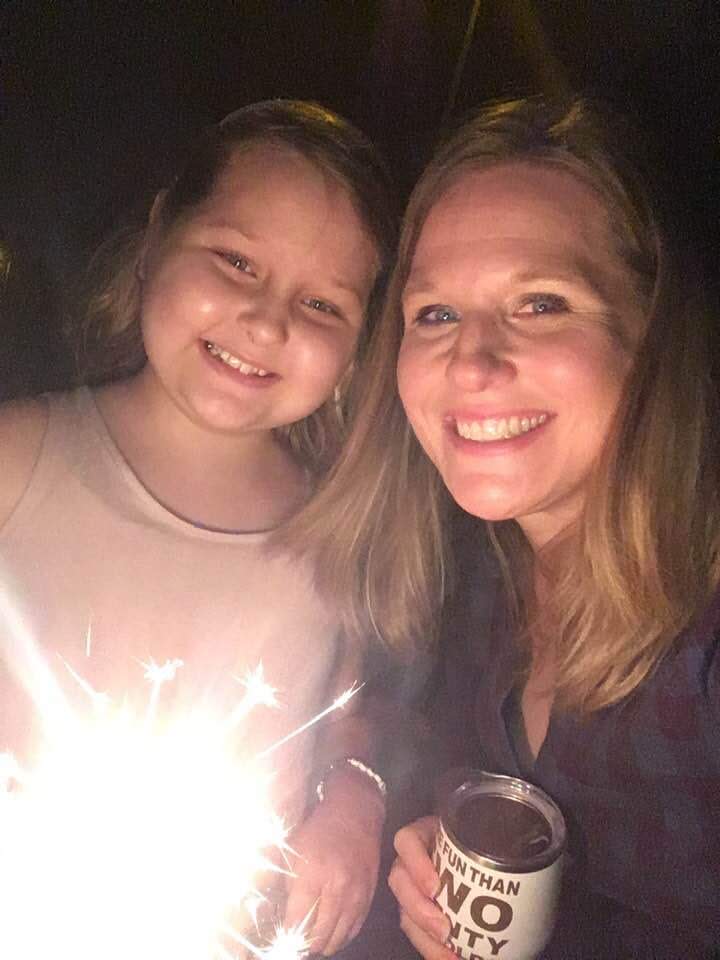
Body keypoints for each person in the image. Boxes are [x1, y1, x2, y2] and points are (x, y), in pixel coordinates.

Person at [289, 97, 720, 957]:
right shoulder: (468, 574)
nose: (473, 363)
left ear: (653, 335)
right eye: (436, 315)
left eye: (542, 303)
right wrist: (390, 815)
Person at [0, 99, 395, 956]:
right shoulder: (15, 459)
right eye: (235, 260)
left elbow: (347, 711)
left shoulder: (337, 533)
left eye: (323, 305)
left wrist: (354, 797)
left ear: (360, 349)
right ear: (156, 239)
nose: (266, 321)